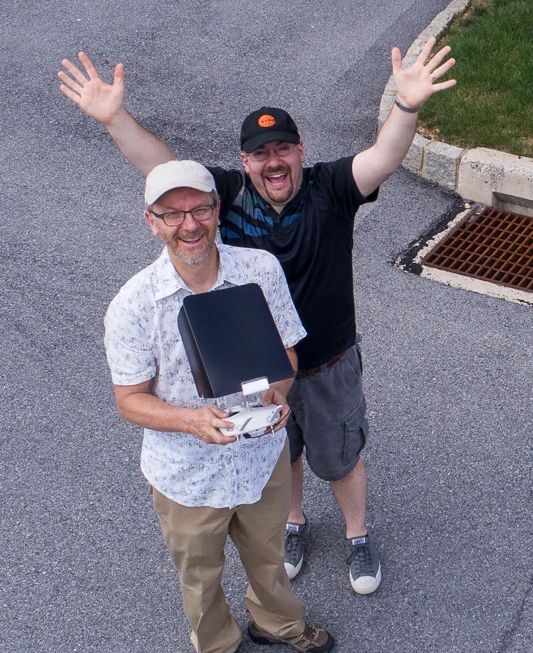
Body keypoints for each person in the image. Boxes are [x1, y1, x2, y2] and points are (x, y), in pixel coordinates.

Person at [60, 38, 456, 593]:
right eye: (261, 154)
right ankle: (294, 523)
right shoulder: (224, 195)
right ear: (245, 162)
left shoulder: (331, 188)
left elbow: (383, 158)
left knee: (339, 457)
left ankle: (358, 536)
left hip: (325, 360)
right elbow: (165, 170)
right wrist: (114, 117)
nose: (274, 162)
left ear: (299, 151)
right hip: (258, 371)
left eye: (283, 149)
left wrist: (407, 106)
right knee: (281, 450)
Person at [103, 159, 334, 653]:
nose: (190, 224)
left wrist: (280, 389)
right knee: (200, 575)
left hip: (259, 454)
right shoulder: (133, 305)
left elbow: (287, 352)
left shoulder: (260, 270)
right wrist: (190, 421)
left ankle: (276, 622)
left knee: (268, 552)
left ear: (217, 211)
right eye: (173, 214)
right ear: (151, 222)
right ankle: (216, 651)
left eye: (201, 209)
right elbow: (129, 401)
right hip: (186, 472)